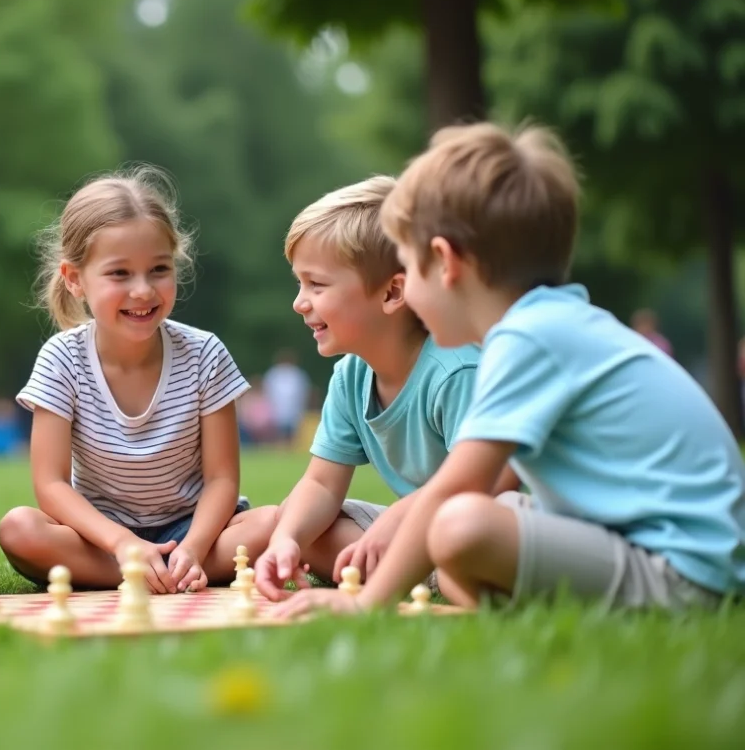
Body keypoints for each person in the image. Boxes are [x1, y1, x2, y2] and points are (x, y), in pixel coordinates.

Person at [279, 122, 745, 617]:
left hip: (688, 571)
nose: (409, 292)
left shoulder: (529, 339)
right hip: (661, 549)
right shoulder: (547, 325)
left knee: (461, 525)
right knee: (470, 534)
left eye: (410, 270)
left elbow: (457, 487)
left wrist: (367, 604)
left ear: (445, 263)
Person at [0, 166, 277, 593]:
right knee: (20, 529)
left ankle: (173, 570)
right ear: (75, 280)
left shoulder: (205, 354)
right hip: (102, 539)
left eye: (158, 269)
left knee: (276, 521)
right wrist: (124, 545)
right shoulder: (61, 360)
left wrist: (196, 547)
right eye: (120, 274)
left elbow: (221, 478)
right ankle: (144, 575)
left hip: (194, 531)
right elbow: (50, 484)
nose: (143, 291)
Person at [253, 177, 517, 602]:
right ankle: (406, 569)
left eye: (316, 285)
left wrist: (398, 521)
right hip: (412, 526)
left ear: (393, 291)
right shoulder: (349, 377)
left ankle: (416, 571)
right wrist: (288, 538)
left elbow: (488, 482)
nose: (300, 302)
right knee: (300, 525)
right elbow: (321, 484)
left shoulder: (454, 371)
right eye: (299, 284)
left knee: (463, 536)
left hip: (473, 519)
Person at [262, 349, 311, 444]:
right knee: (279, 430)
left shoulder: (298, 374)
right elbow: (268, 391)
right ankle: (280, 444)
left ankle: (290, 444)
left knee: (292, 429)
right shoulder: (274, 374)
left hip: (294, 407)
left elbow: (303, 392)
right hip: (276, 408)